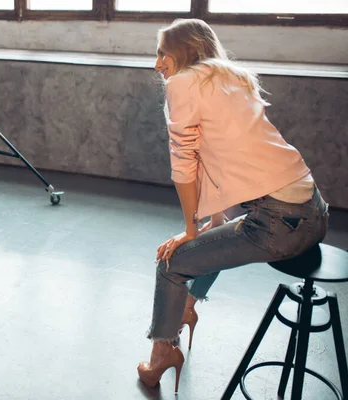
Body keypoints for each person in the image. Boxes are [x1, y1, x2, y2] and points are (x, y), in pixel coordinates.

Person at [137, 19, 329, 393]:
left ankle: (162, 355)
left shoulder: (183, 82)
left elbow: (185, 165)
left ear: (187, 51)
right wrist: (211, 219)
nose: (157, 63)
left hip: (279, 222)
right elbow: (223, 151)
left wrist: (190, 230)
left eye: (163, 52)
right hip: (315, 213)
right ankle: (188, 307)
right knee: (218, 235)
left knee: (171, 262)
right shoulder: (230, 78)